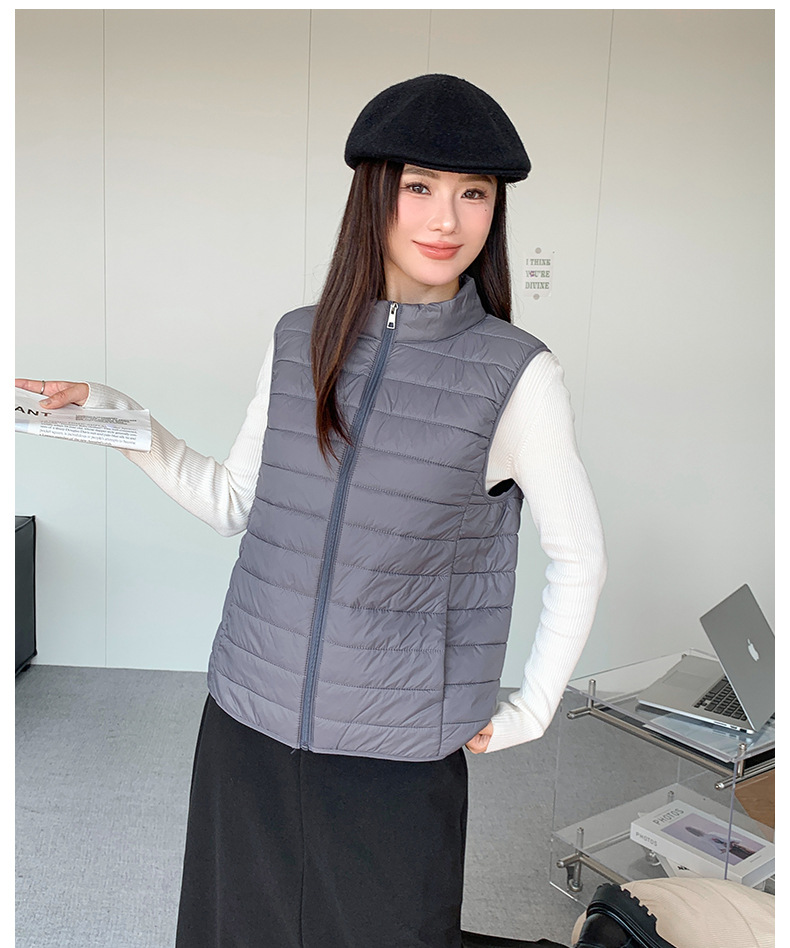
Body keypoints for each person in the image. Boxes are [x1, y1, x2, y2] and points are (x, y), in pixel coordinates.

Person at [17, 74, 607, 948]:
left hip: (392, 756)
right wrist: (124, 421)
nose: (446, 220)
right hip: (247, 722)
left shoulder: (516, 375)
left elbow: (579, 557)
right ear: (374, 193)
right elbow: (235, 501)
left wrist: (533, 707)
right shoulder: (301, 337)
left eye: (473, 193)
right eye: (419, 188)